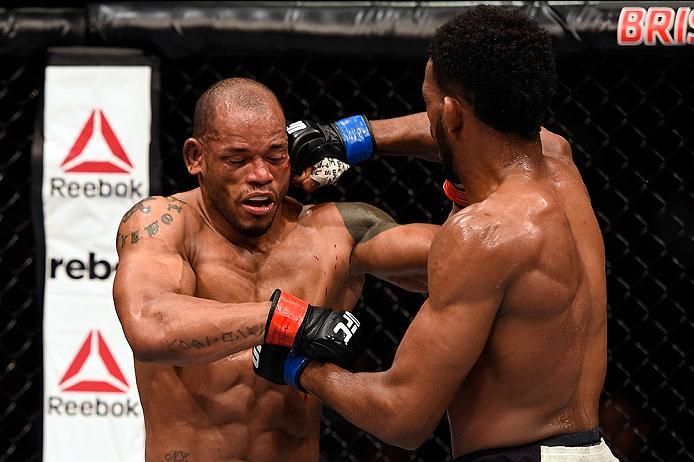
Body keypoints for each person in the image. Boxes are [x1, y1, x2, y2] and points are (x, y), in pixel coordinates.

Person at [257, 5, 619, 461]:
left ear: (451, 114)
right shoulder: (561, 170)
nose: (426, 116)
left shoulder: (483, 233)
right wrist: (354, 136)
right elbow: (485, 133)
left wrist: (300, 366)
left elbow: (401, 415)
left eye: (428, 104)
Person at [112, 77, 438, 461]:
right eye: (237, 159)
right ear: (195, 157)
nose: (260, 175)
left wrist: (361, 135)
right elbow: (149, 324)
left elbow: (482, 253)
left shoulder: (336, 234)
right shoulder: (165, 223)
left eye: (275, 156)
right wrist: (290, 320)